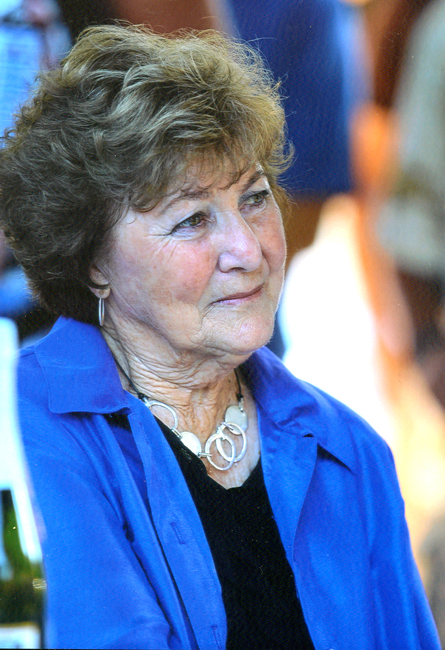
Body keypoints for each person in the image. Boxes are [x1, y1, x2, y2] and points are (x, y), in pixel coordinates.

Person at [0, 24, 439, 650]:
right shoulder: (24, 431)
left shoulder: (348, 451)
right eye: (192, 220)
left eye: (254, 198)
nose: (248, 251)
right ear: (93, 260)